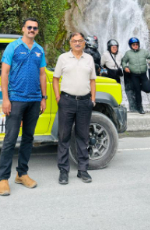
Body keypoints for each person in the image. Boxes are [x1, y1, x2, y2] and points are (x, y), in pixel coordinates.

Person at [0, 18, 47, 196]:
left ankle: (22, 174)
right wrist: (5, 99)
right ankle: (3, 179)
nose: (32, 30)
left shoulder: (39, 50)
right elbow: (4, 73)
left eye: (35, 28)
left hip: (34, 100)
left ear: (37, 31)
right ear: (23, 29)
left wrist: (43, 97)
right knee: (10, 139)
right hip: (16, 99)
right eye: (29, 27)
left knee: (28, 138)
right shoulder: (13, 47)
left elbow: (42, 75)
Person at [52, 32, 96, 185]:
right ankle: (64, 171)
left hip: (85, 102)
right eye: (74, 41)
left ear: (84, 43)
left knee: (83, 137)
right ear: (70, 43)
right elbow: (55, 79)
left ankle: (83, 170)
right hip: (67, 101)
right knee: (63, 136)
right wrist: (59, 98)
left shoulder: (89, 59)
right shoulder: (63, 58)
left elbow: (93, 80)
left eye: (80, 41)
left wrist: (93, 99)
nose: (77, 43)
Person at [121, 37, 150, 114]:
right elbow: (123, 61)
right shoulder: (128, 53)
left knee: (148, 89)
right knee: (137, 91)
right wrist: (125, 67)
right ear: (131, 46)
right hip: (134, 75)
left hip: (143, 75)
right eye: (133, 45)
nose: (135, 46)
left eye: (137, 44)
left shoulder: (143, 52)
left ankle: (139, 86)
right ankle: (140, 107)